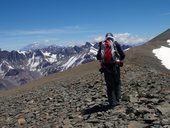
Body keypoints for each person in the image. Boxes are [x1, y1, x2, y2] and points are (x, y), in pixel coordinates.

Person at [97, 32, 125, 108]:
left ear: (106, 37)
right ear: (112, 37)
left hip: (106, 67)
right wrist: (119, 60)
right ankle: (118, 99)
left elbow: (98, 57)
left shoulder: (102, 44)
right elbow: (123, 55)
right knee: (117, 82)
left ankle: (112, 103)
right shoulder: (116, 43)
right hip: (115, 65)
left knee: (109, 85)